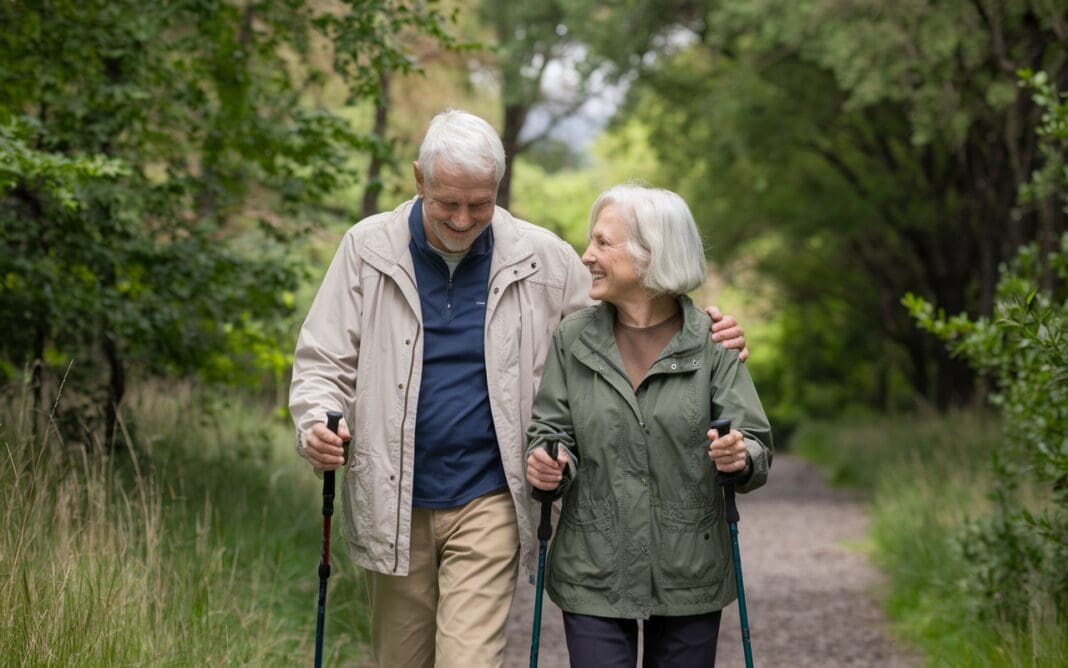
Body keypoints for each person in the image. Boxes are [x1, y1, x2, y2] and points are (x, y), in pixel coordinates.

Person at [289, 110, 749, 667]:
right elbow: (323, 360)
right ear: (419, 180)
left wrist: (704, 333)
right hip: (394, 497)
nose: (462, 219)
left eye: (479, 204)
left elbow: (636, 307)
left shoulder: (542, 258)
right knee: (399, 658)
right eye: (447, 203)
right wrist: (317, 421)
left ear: (498, 188)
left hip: (491, 496)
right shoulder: (368, 250)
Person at [525, 184, 773, 667]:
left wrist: (740, 455)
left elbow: (756, 444)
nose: (586, 256)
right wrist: (549, 462)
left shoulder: (712, 343)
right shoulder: (573, 339)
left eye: (602, 243)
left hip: (690, 569)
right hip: (593, 567)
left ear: (649, 255)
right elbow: (550, 432)